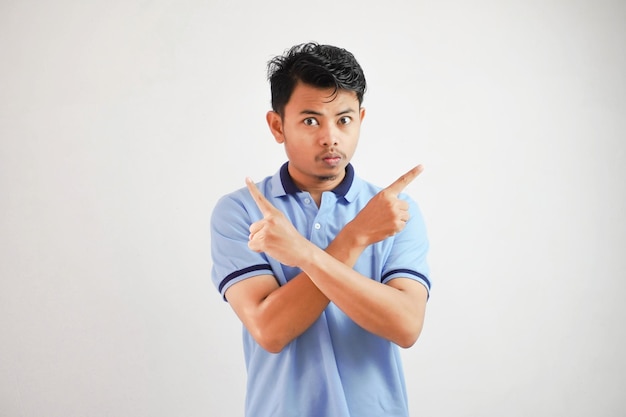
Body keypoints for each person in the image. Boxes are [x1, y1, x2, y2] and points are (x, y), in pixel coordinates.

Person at [210, 42, 431, 417]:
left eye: (344, 119)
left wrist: (305, 254)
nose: (330, 136)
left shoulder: (394, 212)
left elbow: (406, 326)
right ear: (277, 126)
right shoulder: (241, 211)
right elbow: (271, 331)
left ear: (361, 118)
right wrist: (356, 236)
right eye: (311, 120)